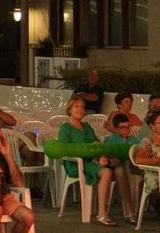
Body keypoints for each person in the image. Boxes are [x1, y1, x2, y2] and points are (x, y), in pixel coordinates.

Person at [45, 96, 121, 226]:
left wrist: (100, 157)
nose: (80, 109)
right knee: (106, 172)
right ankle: (102, 214)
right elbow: (65, 150)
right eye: (76, 106)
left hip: (91, 161)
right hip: (75, 163)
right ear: (69, 109)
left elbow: (96, 144)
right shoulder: (65, 128)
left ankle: (111, 210)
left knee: (115, 166)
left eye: (82, 107)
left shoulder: (86, 126)